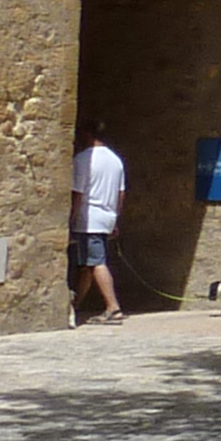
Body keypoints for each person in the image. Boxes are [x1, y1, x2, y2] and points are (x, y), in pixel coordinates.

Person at [67, 120, 126, 326]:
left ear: (87, 135)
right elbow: (121, 194)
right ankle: (76, 303)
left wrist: (70, 221)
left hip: (89, 218)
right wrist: (115, 219)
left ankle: (113, 307)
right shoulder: (116, 160)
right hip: (106, 217)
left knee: (96, 263)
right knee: (88, 265)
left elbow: (78, 194)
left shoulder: (83, 159)